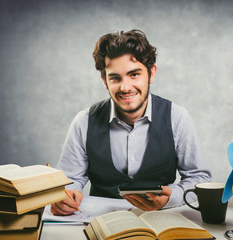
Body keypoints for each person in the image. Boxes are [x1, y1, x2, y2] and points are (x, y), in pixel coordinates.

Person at [51, 29, 211, 215]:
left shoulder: (178, 118)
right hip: (100, 223)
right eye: (115, 78)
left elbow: (199, 178)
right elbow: (69, 180)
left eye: (134, 74)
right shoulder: (83, 122)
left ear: (151, 74)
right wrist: (64, 196)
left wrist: (172, 197)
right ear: (104, 81)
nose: (125, 87)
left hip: (161, 221)